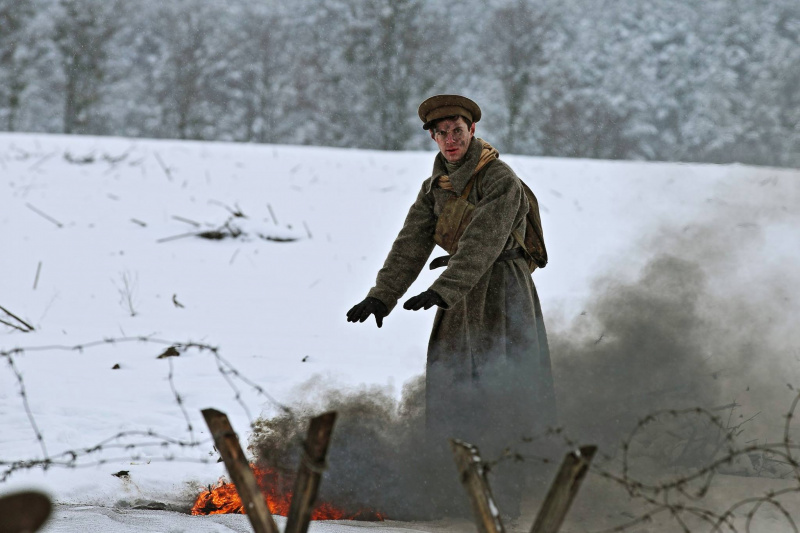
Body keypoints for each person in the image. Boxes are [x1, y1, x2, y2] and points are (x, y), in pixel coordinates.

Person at [346, 94, 556, 518]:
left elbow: (483, 243)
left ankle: (505, 501)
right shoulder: (435, 186)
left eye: (456, 130)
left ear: (472, 130)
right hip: (457, 295)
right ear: (432, 137)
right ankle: (452, 492)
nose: (449, 139)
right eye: (440, 133)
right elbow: (411, 242)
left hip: (501, 292)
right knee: (452, 388)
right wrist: (382, 294)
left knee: (502, 389)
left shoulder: (500, 179)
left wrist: (443, 290)